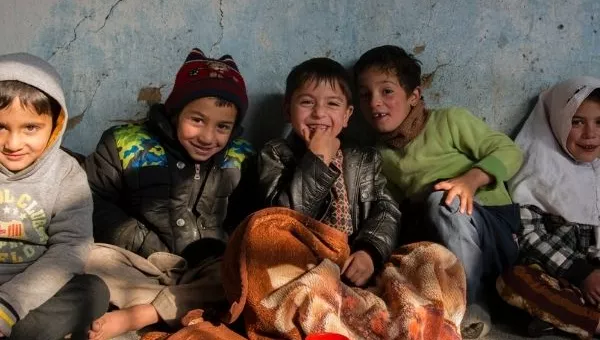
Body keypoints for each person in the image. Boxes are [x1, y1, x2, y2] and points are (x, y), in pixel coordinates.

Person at [84, 48, 256, 340]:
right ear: (175, 112)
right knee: (88, 258)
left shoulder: (241, 157)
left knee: (237, 279)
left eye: (222, 127)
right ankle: (180, 308)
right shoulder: (126, 144)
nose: (207, 137)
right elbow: (92, 198)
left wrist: (224, 252)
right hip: (142, 264)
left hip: (207, 270)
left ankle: (143, 314)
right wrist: (141, 241)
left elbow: (249, 216)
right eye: (197, 120)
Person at [354, 45, 523, 338]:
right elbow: (390, 210)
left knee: (442, 199)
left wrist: (471, 179)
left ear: (414, 95)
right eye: (365, 94)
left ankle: (474, 304)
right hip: (442, 241)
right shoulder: (381, 156)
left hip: (495, 233)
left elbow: (509, 151)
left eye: (387, 91)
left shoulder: (449, 121)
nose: (374, 102)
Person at [258, 57, 401, 286]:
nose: (318, 113)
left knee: (427, 257)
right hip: (299, 267)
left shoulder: (364, 158)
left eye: (332, 104)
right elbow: (281, 220)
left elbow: (386, 210)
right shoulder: (275, 154)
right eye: (307, 102)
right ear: (287, 110)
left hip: (352, 265)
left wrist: (369, 252)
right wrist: (317, 160)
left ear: (346, 115)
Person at [0, 53, 108, 340]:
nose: (12, 143)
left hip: (33, 294)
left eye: (30, 128)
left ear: (55, 126)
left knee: (94, 290)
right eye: (0, 127)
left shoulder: (66, 174)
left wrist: (7, 307)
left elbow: (70, 249)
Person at [497, 76, 600, 339]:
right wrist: (583, 273)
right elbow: (530, 238)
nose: (590, 134)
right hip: (567, 278)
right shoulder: (536, 169)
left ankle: (561, 321)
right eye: (576, 122)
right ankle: (591, 322)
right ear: (557, 122)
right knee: (515, 280)